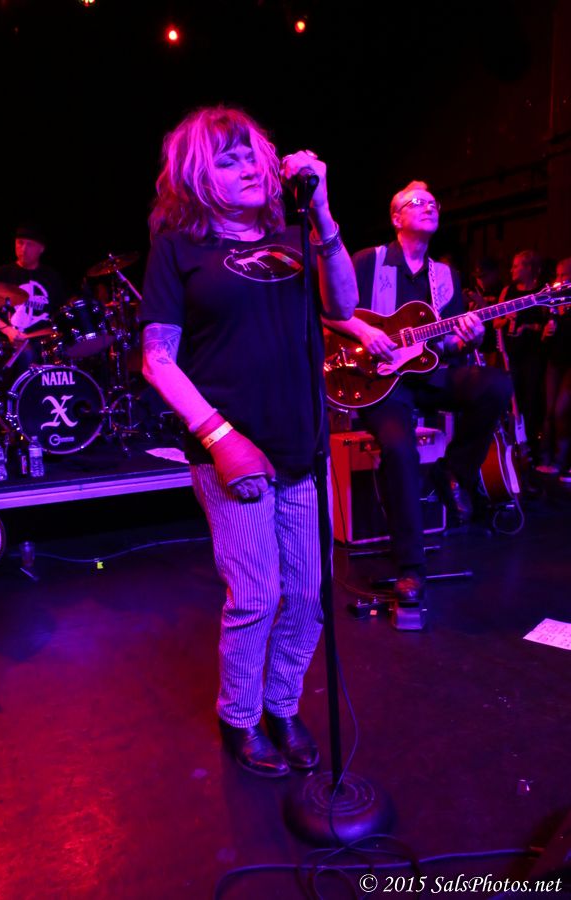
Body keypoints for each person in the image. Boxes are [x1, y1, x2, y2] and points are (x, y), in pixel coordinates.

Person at [139, 106, 357, 777]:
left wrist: (322, 215)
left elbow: (343, 307)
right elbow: (157, 359)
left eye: (253, 155)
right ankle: (239, 717)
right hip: (231, 449)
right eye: (227, 159)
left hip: (301, 445)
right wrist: (220, 437)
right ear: (196, 175)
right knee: (257, 597)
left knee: (309, 597)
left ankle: (282, 706)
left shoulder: (295, 234)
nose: (248, 168)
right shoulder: (179, 248)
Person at [324, 180, 512, 621]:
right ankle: (411, 568)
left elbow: (445, 344)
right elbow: (330, 312)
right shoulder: (368, 261)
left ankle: (453, 472)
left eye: (433, 202)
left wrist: (469, 338)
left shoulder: (444, 275)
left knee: (495, 385)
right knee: (399, 449)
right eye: (417, 202)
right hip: (379, 381)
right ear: (396, 217)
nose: (428, 206)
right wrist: (366, 333)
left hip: (428, 374)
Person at [0, 223, 68, 374]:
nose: (23, 249)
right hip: (10, 342)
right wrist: (8, 330)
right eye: (20, 243)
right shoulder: (2, 274)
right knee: (27, 354)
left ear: (41, 249)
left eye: (29, 245)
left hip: (44, 342)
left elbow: (62, 313)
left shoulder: (51, 277)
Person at [495, 249, 547, 461]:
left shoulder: (541, 291)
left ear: (528, 268)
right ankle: (513, 446)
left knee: (531, 399)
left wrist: (528, 327)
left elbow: (548, 324)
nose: (512, 270)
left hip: (534, 355)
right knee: (511, 400)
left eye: (516, 266)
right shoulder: (507, 291)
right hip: (510, 355)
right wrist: (506, 318)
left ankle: (531, 448)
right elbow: (496, 322)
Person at [536, 256, 571, 480]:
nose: (559, 280)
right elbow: (546, 339)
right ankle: (547, 460)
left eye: (564, 274)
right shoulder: (556, 302)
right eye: (557, 275)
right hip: (555, 361)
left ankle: (562, 463)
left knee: (562, 411)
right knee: (549, 411)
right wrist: (546, 333)